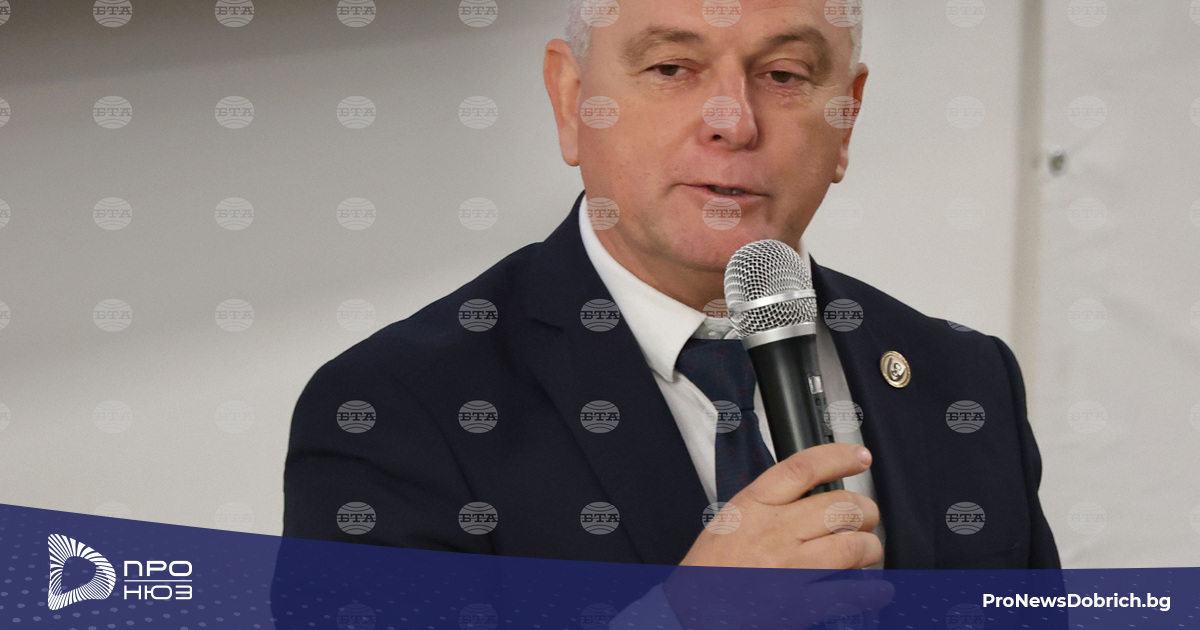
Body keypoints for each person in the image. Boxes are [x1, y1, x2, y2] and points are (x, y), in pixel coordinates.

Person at [281, 0, 1059, 571]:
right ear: (571, 100)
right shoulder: (396, 409)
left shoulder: (966, 381)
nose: (733, 121)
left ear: (846, 118)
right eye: (672, 69)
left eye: (784, 75)